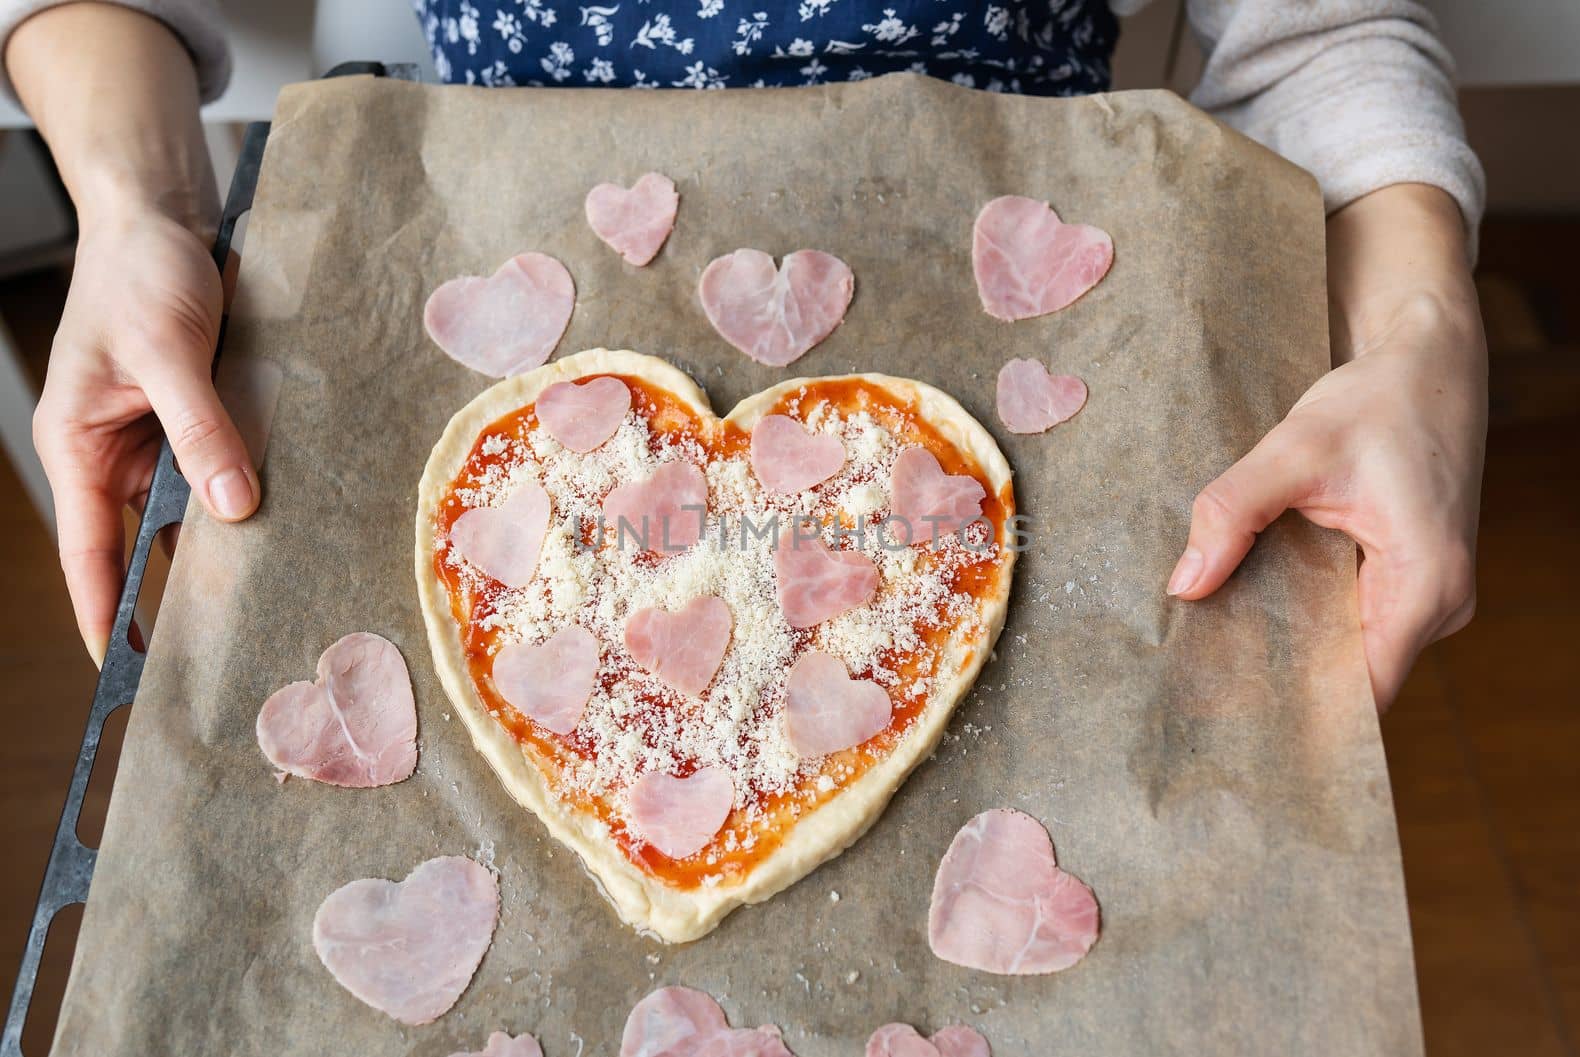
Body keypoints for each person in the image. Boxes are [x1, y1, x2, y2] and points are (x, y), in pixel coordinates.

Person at [1, 0, 1486, 709]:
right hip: (508, 351)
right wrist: (133, 210)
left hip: (1048, 405)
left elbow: (1321, 33)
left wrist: (1426, 333)